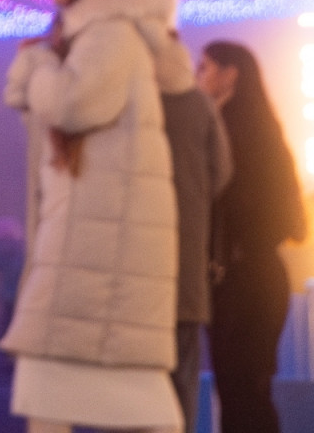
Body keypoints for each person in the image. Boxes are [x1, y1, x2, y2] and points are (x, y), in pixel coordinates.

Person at [0, 0, 184, 433]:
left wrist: (36, 67)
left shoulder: (110, 31)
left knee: (68, 385)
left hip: (98, 249)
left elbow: (76, 105)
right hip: (95, 245)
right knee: (72, 390)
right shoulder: (101, 32)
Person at [200, 40, 307, 433]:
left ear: (231, 75)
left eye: (206, 67)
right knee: (249, 393)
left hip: (239, 281)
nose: (199, 75)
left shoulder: (228, 134)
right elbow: (294, 224)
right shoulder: (266, 134)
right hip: (259, 278)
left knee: (239, 394)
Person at [161, 39, 231, 433]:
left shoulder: (128, 101)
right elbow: (221, 173)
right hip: (186, 265)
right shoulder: (199, 106)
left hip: (134, 273)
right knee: (183, 374)